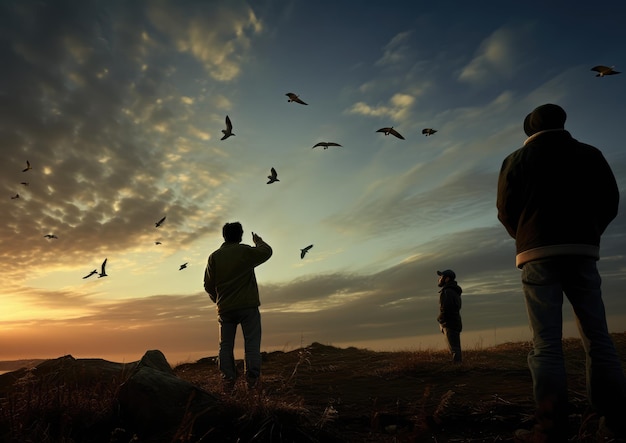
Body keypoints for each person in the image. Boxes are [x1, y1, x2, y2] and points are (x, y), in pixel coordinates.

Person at [496, 103, 626, 442]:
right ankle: (614, 421)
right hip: (583, 251)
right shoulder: (590, 154)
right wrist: (589, 233)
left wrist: (526, 237)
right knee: (598, 337)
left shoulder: (515, 160)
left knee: (546, 343)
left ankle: (551, 428)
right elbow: (610, 201)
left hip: (536, 253)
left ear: (530, 129)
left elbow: (505, 210)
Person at [204, 222, 273, 390]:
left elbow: (208, 284)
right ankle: (252, 382)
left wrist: (217, 299)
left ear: (224, 236)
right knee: (251, 344)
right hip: (248, 307)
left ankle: (227, 381)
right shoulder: (244, 251)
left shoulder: (214, 257)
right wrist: (259, 241)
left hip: (225, 308)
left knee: (225, 346)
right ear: (240, 235)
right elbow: (267, 252)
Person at [436, 269, 463, 363]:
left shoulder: (448, 291)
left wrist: (441, 319)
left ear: (447, 279)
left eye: (441, 277)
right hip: (453, 322)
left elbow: (447, 308)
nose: (439, 279)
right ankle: (457, 367)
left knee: (454, 349)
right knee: (454, 348)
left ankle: (458, 370)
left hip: (450, 323)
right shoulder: (453, 291)